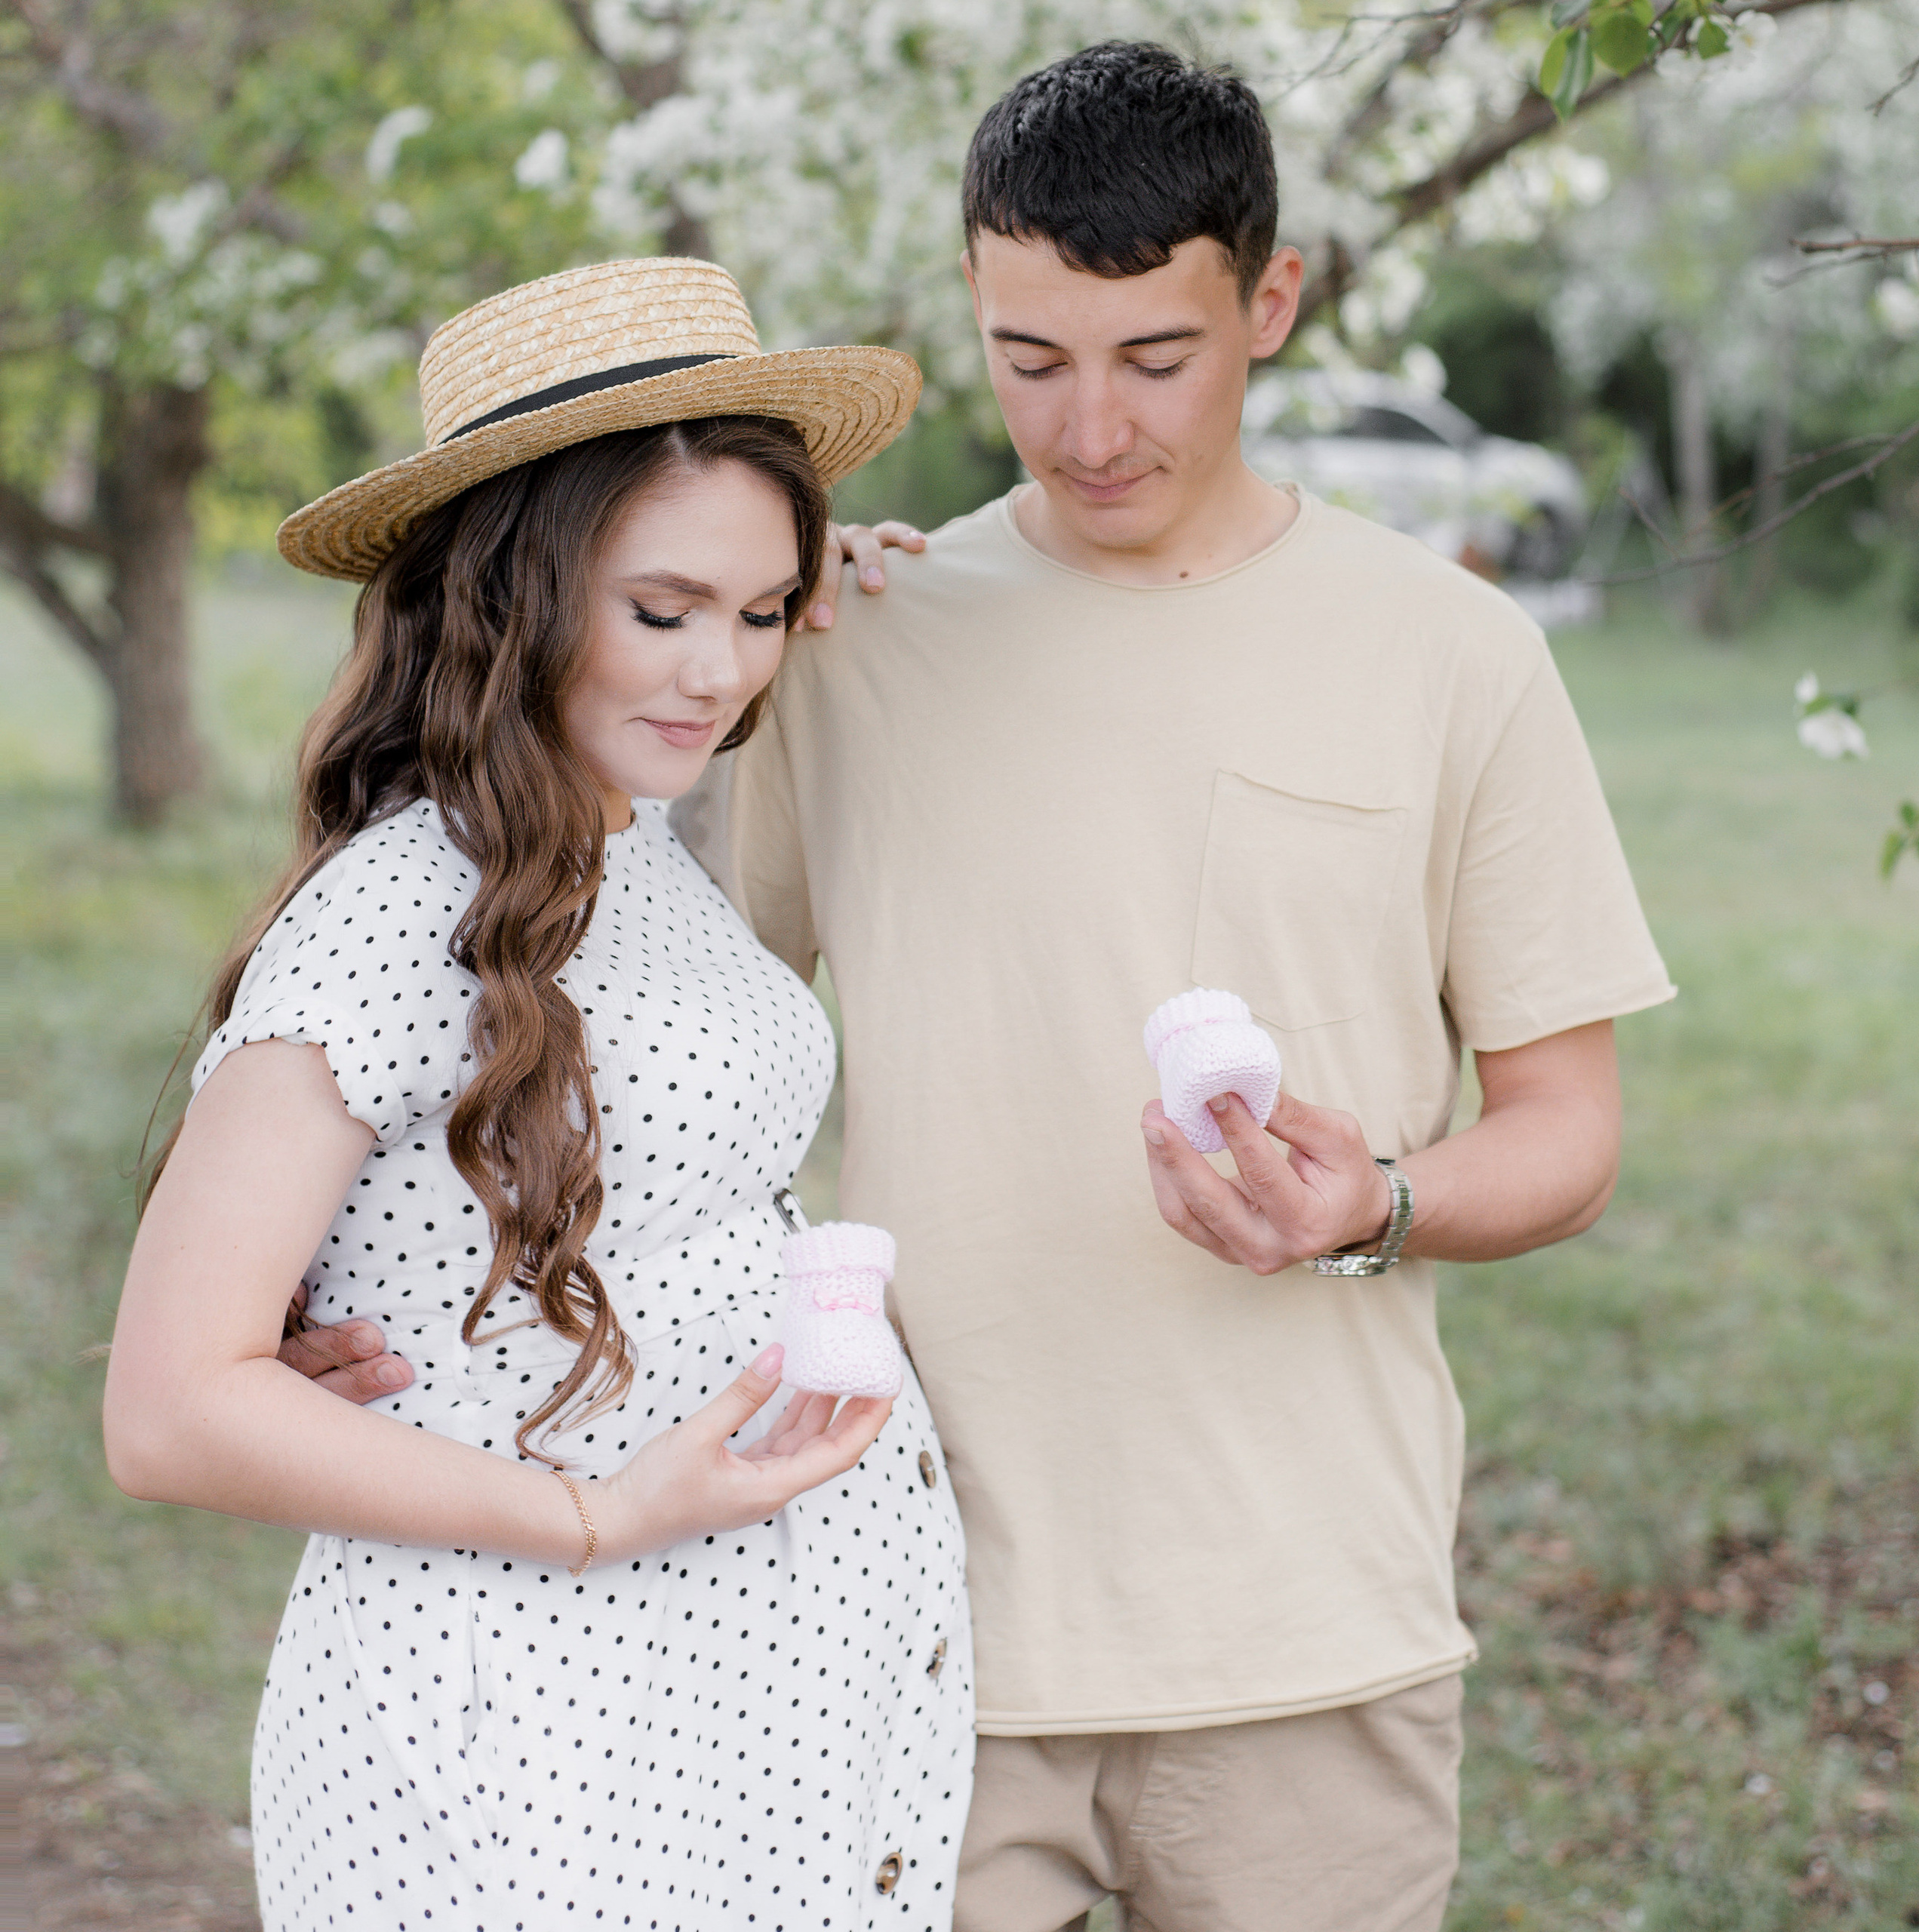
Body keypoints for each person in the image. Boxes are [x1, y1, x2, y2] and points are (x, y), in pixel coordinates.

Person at [294, 43, 1674, 1932]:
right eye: (1030, 360)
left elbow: (1570, 1129)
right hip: (886, 1606)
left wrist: (1375, 1204)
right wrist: (358, 1290)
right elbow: (624, 1056)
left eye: (1152, 359)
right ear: (969, 306)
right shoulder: (846, 640)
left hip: (1309, 1635)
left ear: (1269, 303)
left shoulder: (1459, 655)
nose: (1088, 425)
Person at [103, 257, 974, 1932]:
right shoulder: (394, 905)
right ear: (512, 590)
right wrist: (591, 1514)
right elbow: (167, 1405)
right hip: (527, 1730)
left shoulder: (616, 838)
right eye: (662, 609)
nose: (718, 670)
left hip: (723, 1697)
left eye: (760, 607)